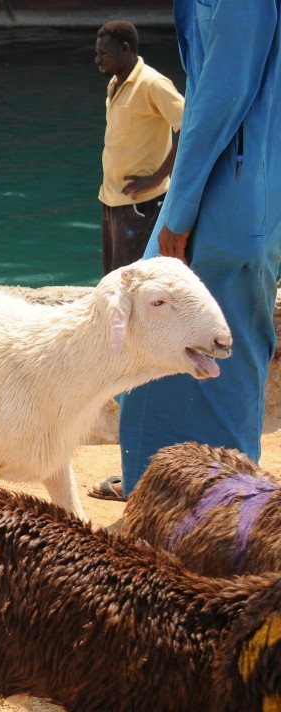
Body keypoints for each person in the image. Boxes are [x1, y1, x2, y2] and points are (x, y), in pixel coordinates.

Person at [90, 0, 281, 502]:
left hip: (226, 195)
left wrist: (179, 209)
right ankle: (198, 485)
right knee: (236, 341)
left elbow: (219, 98)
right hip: (257, 190)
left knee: (163, 334)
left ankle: (180, 489)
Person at [95, 20, 184, 275]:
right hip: (112, 200)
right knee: (112, 279)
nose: (97, 60)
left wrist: (158, 177)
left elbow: (188, 127)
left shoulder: (152, 83)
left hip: (140, 204)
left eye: (103, 54)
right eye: (97, 53)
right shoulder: (115, 83)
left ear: (125, 49)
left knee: (134, 281)